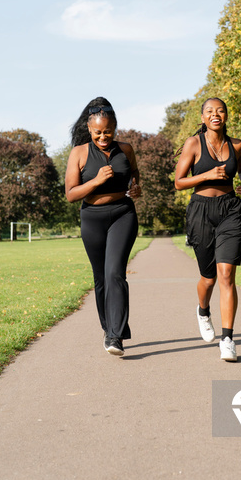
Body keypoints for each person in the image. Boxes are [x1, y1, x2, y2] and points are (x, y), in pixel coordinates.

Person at [174, 97, 241, 361]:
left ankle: (227, 339)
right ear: (203, 117)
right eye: (209, 111)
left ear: (226, 115)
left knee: (227, 274)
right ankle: (203, 311)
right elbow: (179, 182)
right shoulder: (194, 144)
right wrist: (207, 175)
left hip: (230, 210)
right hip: (201, 212)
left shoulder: (237, 145)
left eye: (220, 111)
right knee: (209, 278)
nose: (215, 114)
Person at [65, 97, 141, 357]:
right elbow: (72, 194)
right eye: (98, 132)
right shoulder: (79, 153)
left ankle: (116, 336)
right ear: (89, 129)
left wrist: (136, 187)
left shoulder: (126, 149)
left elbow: (134, 173)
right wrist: (96, 181)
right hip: (92, 218)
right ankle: (108, 327)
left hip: (123, 214)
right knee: (100, 279)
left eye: (107, 131)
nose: (103, 137)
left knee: (114, 273)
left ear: (115, 128)